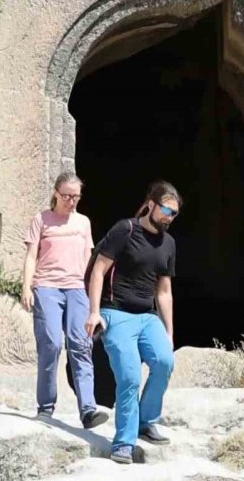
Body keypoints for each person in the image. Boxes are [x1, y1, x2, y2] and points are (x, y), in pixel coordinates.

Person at [84, 180, 181, 464]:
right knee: (129, 377)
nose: (169, 217)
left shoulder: (168, 244)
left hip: (147, 316)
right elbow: (99, 271)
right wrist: (94, 312)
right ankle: (124, 443)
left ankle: (145, 422)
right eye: (166, 210)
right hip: (116, 313)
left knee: (164, 362)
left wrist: (169, 332)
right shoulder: (125, 230)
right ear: (151, 204)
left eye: (174, 213)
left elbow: (164, 292)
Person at [21, 172, 108, 429]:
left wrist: (93, 300)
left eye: (76, 197)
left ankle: (88, 410)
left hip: (77, 287)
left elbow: (89, 261)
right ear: (56, 194)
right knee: (51, 343)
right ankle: (45, 407)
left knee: (81, 344)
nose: (71, 201)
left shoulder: (83, 222)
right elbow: (31, 256)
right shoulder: (41, 219)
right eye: (67, 196)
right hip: (47, 286)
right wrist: (26, 287)